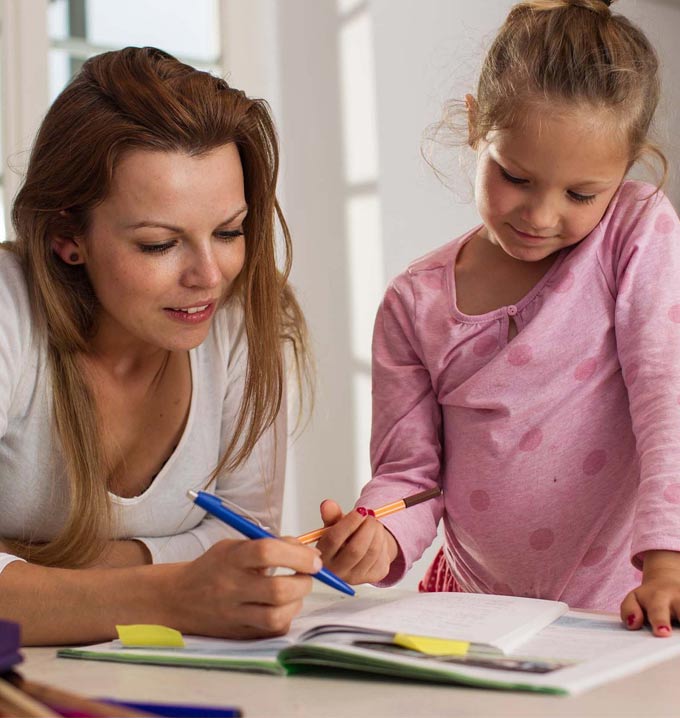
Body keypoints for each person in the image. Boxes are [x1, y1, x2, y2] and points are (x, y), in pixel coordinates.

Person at [316, 0, 680, 637]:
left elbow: (666, 395)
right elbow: (410, 477)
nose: (540, 216)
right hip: (474, 614)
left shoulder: (635, 230)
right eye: (515, 176)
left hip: (632, 605)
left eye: (580, 194)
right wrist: (377, 534)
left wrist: (668, 562)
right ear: (474, 123)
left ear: (626, 169)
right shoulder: (414, 302)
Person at [0, 46, 320, 645]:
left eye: (229, 232)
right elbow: (205, 569)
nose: (210, 276)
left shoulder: (240, 317)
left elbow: (244, 535)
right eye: (157, 244)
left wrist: (31, 571)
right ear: (69, 236)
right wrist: (170, 592)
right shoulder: (8, 309)